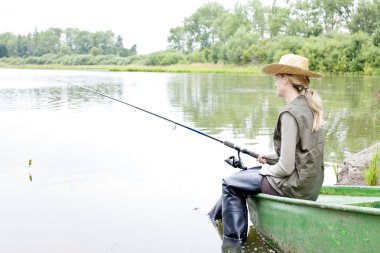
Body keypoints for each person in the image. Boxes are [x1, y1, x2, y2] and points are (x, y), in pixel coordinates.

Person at [208, 54, 325, 248]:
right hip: (310, 185)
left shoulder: (290, 113)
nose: (275, 83)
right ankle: (213, 217)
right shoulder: (310, 106)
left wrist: (265, 171)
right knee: (243, 176)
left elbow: (286, 167)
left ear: (286, 79)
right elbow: (301, 153)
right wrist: (270, 158)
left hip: (294, 187)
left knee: (230, 184)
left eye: (276, 77)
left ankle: (233, 245)